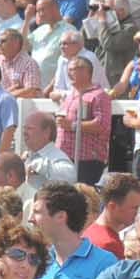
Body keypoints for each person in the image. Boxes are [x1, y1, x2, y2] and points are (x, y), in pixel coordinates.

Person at [56, 55, 112, 184]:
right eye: (69, 69)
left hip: (87, 159)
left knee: (84, 197)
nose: (69, 73)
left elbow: (102, 124)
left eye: (74, 69)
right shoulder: (70, 95)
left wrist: (72, 126)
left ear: (87, 72)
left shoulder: (99, 95)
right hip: (65, 157)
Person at [85, 172, 140, 256]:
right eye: (134, 208)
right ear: (112, 207)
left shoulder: (90, 232)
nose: (139, 213)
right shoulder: (109, 245)